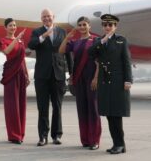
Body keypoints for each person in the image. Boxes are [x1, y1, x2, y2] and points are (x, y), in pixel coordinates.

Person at [89, 14, 132, 154]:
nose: (107, 27)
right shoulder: (98, 41)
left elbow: (126, 62)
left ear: (115, 26)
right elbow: (90, 53)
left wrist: (128, 80)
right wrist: (103, 40)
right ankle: (118, 144)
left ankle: (119, 144)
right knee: (108, 114)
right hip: (105, 83)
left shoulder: (121, 41)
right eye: (105, 25)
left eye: (110, 25)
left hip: (118, 82)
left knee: (116, 114)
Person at [27, 8, 69, 146]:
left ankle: (56, 135)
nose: (46, 18)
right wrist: (43, 36)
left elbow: (67, 53)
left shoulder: (62, 32)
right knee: (42, 107)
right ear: (41, 19)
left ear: (53, 17)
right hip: (42, 76)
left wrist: (72, 72)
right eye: (44, 17)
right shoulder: (37, 32)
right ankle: (43, 136)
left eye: (49, 16)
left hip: (58, 75)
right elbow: (31, 45)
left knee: (57, 106)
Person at [59, 16, 101, 150]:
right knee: (82, 110)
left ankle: (95, 140)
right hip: (79, 79)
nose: (82, 27)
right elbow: (60, 51)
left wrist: (96, 78)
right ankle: (85, 140)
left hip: (91, 79)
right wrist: (67, 37)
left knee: (93, 109)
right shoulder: (75, 42)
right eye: (80, 25)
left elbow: (99, 61)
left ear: (89, 26)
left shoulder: (95, 40)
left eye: (84, 25)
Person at [0, 18, 30, 144]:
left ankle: (21, 133)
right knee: (12, 106)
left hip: (21, 73)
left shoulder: (21, 41)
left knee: (21, 104)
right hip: (11, 74)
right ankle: (13, 135)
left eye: (14, 25)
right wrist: (16, 39)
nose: (13, 27)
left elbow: (23, 59)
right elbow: (6, 51)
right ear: (6, 28)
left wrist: (27, 74)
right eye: (10, 25)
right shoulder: (3, 40)